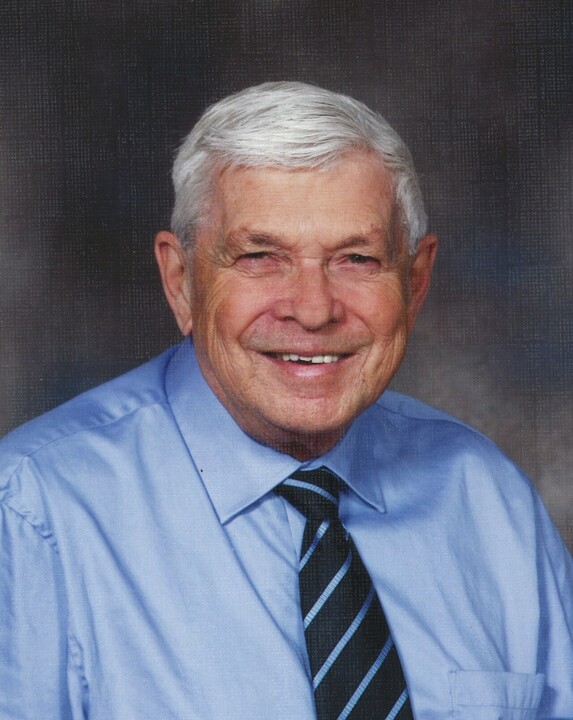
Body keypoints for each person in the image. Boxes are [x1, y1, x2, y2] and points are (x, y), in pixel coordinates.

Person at [0, 81, 572, 720]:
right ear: (180, 281)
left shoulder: (490, 503)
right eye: (260, 257)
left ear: (415, 282)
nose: (313, 309)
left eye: (356, 259)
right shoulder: (31, 516)